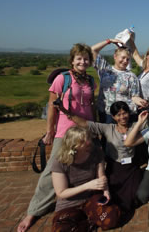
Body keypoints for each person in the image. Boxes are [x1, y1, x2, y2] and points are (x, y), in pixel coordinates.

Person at [18, 43, 96, 232]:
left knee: (89, 164)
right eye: (79, 58)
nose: (82, 61)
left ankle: (86, 201)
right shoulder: (63, 79)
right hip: (66, 130)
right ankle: (33, 211)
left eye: (86, 58)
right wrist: (50, 131)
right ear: (72, 60)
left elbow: (91, 105)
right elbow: (52, 105)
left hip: (86, 129)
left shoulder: (90, 81)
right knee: (53, 170)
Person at [55, 101, 144, 215]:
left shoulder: (135, 125)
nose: (122, 117)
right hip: (116, 167)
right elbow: (85, 124)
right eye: (118, 114)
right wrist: (65, 111)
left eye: (124, 113)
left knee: (135, 195)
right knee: (115, 194)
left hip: (131, 167)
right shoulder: (108, 128)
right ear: (113, 117)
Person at [51, 126, 120, 231]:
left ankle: (85, 221)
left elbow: (101, 177)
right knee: (62, 229)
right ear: (73, 145)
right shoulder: (60, 161)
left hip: (91, 199)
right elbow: (61, 193)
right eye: (83, 141)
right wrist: (87, 186)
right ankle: (88, 222)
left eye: (88, 138)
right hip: (69, 204)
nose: (89, 142)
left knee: (111, 218)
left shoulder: (96, 152)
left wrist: (106, 191)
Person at [91, 38, 148, 123]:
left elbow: (134, 97)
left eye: (128, 59)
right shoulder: (105, 69)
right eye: (123, 57)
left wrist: (141, 102)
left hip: (124, 116)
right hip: (106, 115)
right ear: (115, 56)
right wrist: (109, 41)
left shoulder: (132, 77)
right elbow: (91, 51)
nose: (125, 61)